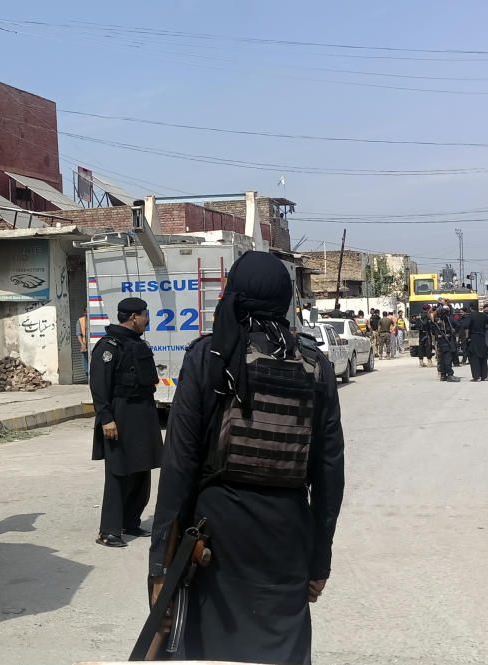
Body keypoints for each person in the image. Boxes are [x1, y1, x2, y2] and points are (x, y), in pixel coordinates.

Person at [148, 251, 345, 663]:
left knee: (211, 650)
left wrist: (160, 565)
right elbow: (329, 474)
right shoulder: (315, 366)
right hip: (287, 538)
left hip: (215, 539)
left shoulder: (208, 357)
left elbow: (179, 467)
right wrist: (319, 558)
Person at [89, 297, 162, 548]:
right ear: (134, 317)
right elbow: (98, 386)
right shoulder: (109, 346)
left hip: (142, 413)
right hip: (120, 414)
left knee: (142, 469)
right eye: (145, 315)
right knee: (118, 471)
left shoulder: (136, 344)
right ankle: (109, 531)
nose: (148, 320)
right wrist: (106, 419)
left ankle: (130, 520)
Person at [464, 304, 488, 381]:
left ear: (470, 308)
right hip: (482, 337)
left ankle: (477, 377)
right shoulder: (483, 315)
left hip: (473, 338)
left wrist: (467, 338)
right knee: (483, 356)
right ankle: (485, 376)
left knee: (474, 357)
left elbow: (466, 326)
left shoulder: (470, 316)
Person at [432, 304, 460, 382]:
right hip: (446, 341)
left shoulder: (440, 321)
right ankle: (449, 375)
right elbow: (458, 325)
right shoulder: (444, 320)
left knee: (442, 358)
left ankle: (443, 375)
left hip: (441, 342)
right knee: (447, 359)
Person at [76, 308, 89, 375]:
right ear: (84, 312)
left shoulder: (94, 320)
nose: (87, 313)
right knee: (86, 362)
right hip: (85, 345)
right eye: (86, 312)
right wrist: (82, 344)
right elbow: (78, 334)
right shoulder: (80, 321)